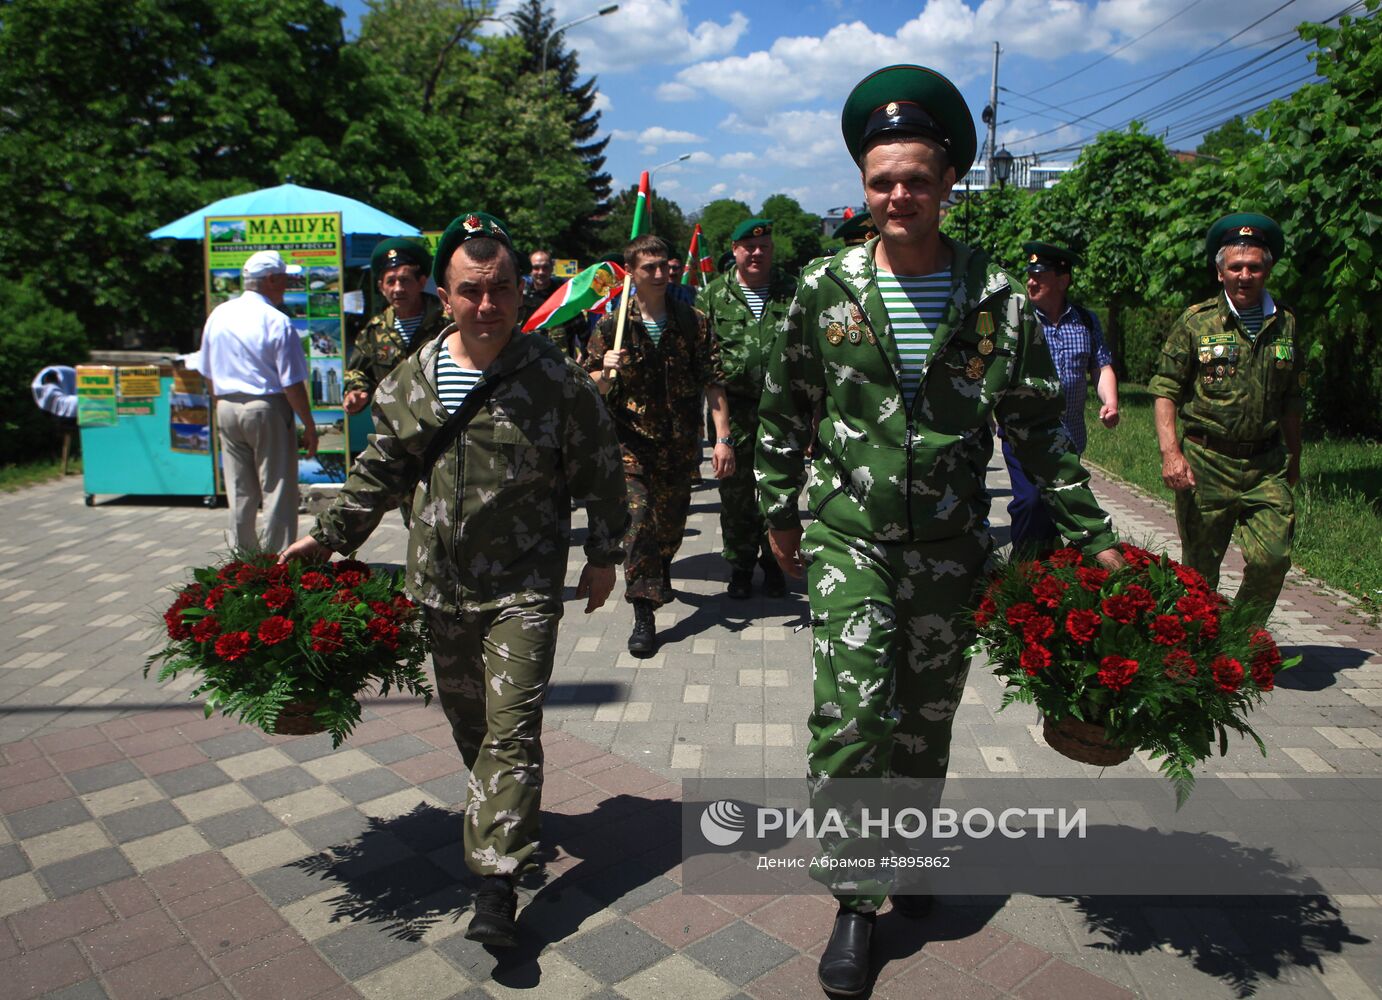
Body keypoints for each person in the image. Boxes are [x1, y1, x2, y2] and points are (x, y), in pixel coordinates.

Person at [754, 65, 1124, 996]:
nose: (898, 197)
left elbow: (1042, 429)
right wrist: (776, 509)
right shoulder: (821, 289)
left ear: (948, 183)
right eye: (882, 181)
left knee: (923, 720)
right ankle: (853, 901)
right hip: (851, 538)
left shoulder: (997, 300)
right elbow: (784, 405)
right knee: (852, 718)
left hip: (955, 547)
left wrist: (1093, 536)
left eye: (916, 179)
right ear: (863, 186)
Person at [281, 211, 628, 948]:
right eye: (471, 291)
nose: (487, 305)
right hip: (438, 586)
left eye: (501, 288)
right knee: (471, 725)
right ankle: (501, 815)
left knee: (512, 727)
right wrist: (332, 536)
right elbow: (379, 469)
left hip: (523, 588)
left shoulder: (554, 380)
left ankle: (495, 883)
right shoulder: (410, 381)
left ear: (518, 289)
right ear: (445, 295)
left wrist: (604, 554)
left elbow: (600, 466)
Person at [1149, 212, 1302, 624]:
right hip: (1206, 463)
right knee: (1198, 574)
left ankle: (1239, 639)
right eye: (1236, 267)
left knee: (1273, 559)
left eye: (1254, 266)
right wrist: (1171, 454)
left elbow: (1291, 398)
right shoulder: (1196, 323)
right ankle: (1195, 651)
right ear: (1221, 272)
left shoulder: (1286, 324)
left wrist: (1295, 456)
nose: (1245, 275)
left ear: (1267, 269)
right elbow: (1165, 389)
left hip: (1264, 466)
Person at [584, 234, 733, 655]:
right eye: (648, 267)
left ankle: (662, 566)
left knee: (668, 528)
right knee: (638, 526)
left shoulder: (693, 322)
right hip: (629, 446)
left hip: (680, 446)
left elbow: (713, 382)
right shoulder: (612, 327)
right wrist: (604, 373)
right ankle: (643, 612)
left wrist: (723, 439)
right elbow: (586, 385)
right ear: (630, 273)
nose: (660, 273)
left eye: (664, 265)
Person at [999, 241, 1119, 554]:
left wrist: (1110, 402)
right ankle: (1024, 569)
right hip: (1023, 433)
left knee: (1061, 501)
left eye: (1040, 274)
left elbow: (1101, 366)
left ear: (1063, 280)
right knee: (1031, 501)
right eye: (1029, 274)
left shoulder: (1085, 320)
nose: (1030, 281)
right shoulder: (1019, 320)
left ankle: (1044, 571)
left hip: (1070, 434)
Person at [700, 217, 796, 599]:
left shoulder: (793, 291)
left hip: (781, 411)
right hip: (733, 412)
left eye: (764, 247)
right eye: (749, 247)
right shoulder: (712, 296)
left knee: (777, 493)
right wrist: (721, 435)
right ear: (734, 249)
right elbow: (708, 370)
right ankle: (740, 567)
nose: (757, 253)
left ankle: (773, 564)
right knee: (737, 499)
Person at [202, 250, 317, 553]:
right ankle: (277, 563)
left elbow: (209, 374)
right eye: (285, 279)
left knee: (240, 490)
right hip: (266, 406)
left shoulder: (219, 314)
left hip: (226, 405)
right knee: (277, 488)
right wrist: (308, 423)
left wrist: (223, 402)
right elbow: (291, 383)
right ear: (271, 279)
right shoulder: (277, 321)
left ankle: (243, 562)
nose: (288, 285)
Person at [343, 238, 446, 416]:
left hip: (443, 425)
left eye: (405, 280)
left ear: (421, 282)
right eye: (390, 282)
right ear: (381, 287)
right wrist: (356, 392)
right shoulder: (374, 331)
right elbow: (358, 372)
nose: (398, 289)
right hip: (395, 428)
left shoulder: (447, 323)